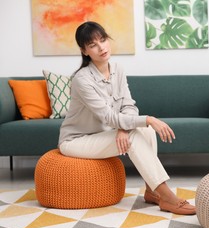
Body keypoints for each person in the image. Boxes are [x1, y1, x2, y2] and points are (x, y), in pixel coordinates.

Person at [58, 21, 195, 215]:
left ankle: (151, 191)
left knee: (143, 131)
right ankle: (168, 198)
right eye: (93, 45)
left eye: (103, 40)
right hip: (77, 141)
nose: (101, 47)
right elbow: (107, 116)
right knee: (141, 129)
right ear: (84, 51)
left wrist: (123, 129)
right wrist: (148, 119)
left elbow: (128, 105)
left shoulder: (118, 69)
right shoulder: (82, 79)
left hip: (104, 134)